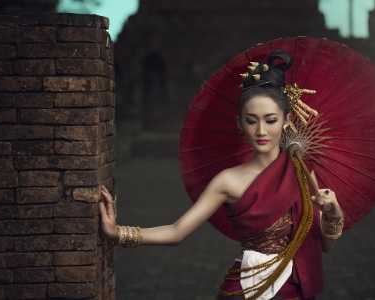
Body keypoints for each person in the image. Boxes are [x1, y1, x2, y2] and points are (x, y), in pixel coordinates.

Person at [99, 50, 344, 300]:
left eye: (270, 120)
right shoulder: (227, 180)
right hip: (248, 286)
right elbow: (176, 232)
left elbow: (324, 245)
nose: (261, 130)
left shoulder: (303, 171)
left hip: (295, 288)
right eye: (251, 121)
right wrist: (117, 233)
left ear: (285, 120)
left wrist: (333, 214)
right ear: (239, 124)